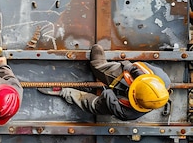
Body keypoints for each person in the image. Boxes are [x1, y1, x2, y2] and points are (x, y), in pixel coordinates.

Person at [38, 44, 171, 120]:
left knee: (94, 105)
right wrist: (128, 66)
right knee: (110, 71)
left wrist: (108, 94)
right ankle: (98, 65)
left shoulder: (129, 113)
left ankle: (67, 93)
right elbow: (134, 67)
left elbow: (108, 96)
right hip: (128, 78)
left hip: (116, 100)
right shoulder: (159, 77)